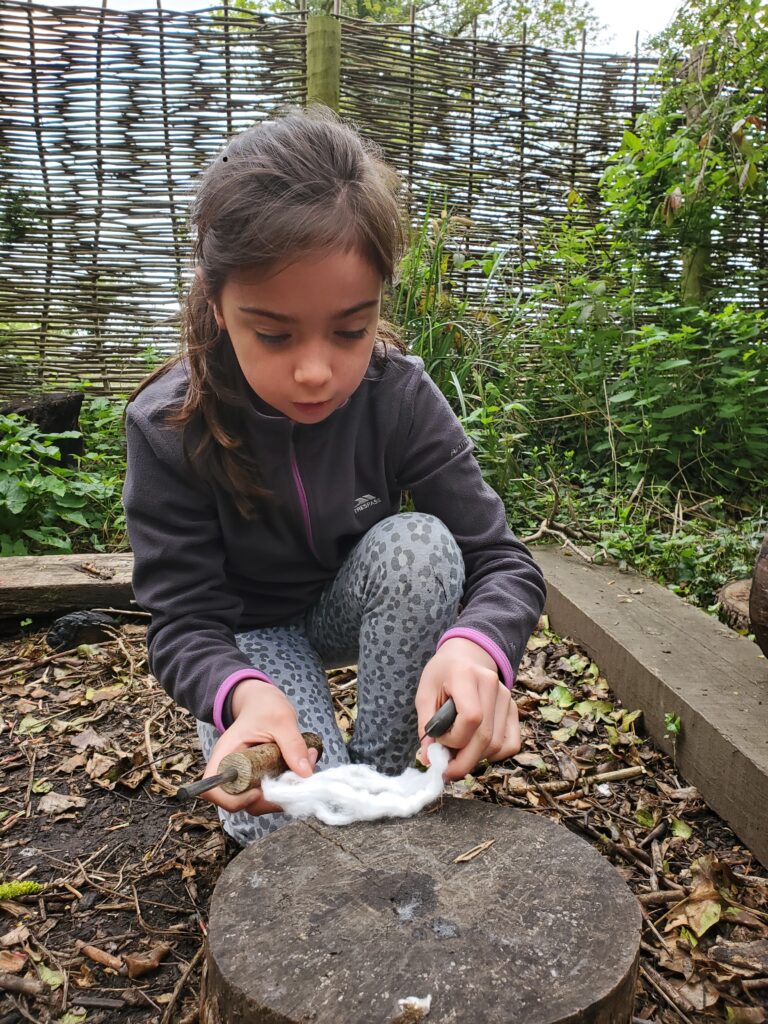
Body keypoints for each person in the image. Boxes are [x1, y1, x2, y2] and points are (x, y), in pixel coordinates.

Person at [123, 106, 546, 846]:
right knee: (295, 824)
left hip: (346, 605)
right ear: (218, 304)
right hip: (246, 639)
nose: (317, 371)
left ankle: (394, 782)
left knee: (420, 543)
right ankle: (336, 793)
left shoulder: (400, 396)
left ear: (381, 297)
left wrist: (478, 647)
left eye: (351, 330)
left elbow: (500, 561)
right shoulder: (168, 426)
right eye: (274, 333)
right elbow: (185, 620)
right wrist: (241, 698)